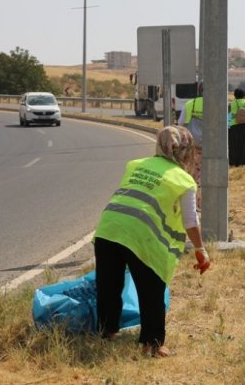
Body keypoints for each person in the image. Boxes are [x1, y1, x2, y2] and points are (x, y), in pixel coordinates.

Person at [93, 126, 211, 357]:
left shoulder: (137, 164)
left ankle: (106, 333)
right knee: (152, 289)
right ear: (185, 151)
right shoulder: (183, 179)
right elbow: (190, 221)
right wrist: (201, 249)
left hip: (108, 228)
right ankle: (153, 344)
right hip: (140, 235)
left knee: (108, 285)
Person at [177, 85, 204, 207]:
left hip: (193, 146)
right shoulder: (218, 104)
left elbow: (180, 124)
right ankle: (202, 202)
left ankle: (192, 203)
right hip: (211, 146)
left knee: (192, 174)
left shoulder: (190, 104)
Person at [228, 88, 245, 167]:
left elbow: (229, 115)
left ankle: (234, 162)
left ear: (235, 95)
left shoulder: (231, 104)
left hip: (234, 126)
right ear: (244, 95)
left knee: (234, 145)